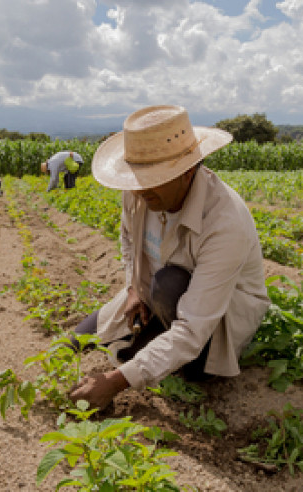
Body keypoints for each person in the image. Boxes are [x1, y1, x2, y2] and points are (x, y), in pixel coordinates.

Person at [68, 104, 270, 410]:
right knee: (75, 340)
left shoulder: (225, 223)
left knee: (169, 284)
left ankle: (187, 366)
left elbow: (192, 331)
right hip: (155, 294)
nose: (138, 191)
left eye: (153, 179)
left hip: (214, 319)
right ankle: (153, 333)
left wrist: (115, 382)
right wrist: (134, 287)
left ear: (187, 172)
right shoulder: (138, 192)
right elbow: (127, 238)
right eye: (136, 179)